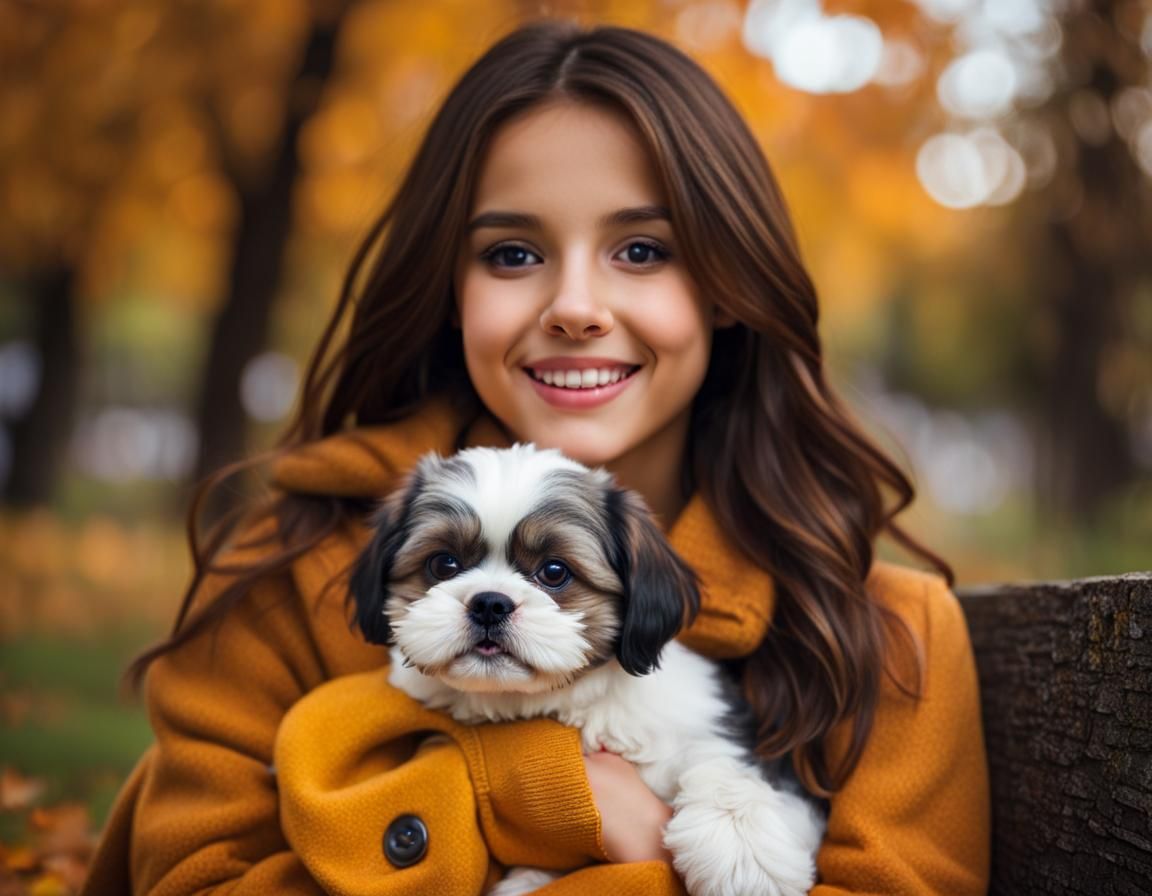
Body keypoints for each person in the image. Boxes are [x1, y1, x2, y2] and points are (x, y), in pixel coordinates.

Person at [83, 19, 990, 896]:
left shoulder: (888, 633)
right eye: (513, 253)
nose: (576, 306)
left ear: (726, 286)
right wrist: (528, 789)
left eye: (642, 249)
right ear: (450, 288)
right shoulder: (283, 572)